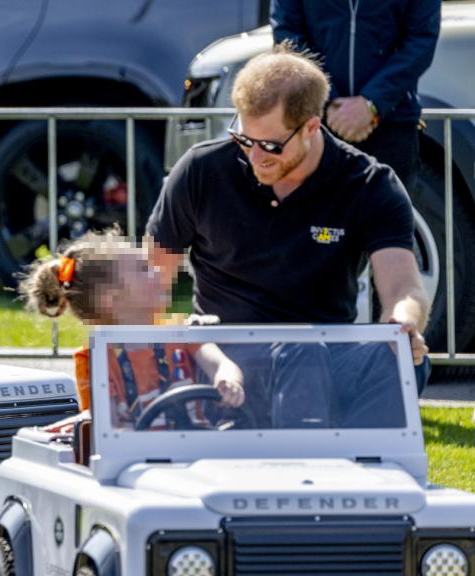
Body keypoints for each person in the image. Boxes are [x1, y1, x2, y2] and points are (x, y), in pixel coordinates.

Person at [146, 46, 430, 428]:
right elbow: (154, 279)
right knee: (299, 352)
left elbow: (403, 288)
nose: (256, 157)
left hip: (324, 351)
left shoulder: (368, 183)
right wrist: (195, 339)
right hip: (226, 355)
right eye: (244, 140)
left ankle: (372, 472)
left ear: (312, 127)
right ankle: (308, 465)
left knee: (400, 359)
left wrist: (403, 325)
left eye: (272, 146)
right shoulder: (200, 170)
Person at [19, 230, 245, 428]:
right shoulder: (95, 360)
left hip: (197, 449)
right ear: (113, 299)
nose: (157, 271)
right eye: (143, 268)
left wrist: (228, 380)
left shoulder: (180, 332)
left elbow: (220, 363)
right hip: (134, 462)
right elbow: (106, 426)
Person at [271, 0, 441, 194]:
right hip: (319, 125)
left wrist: (372, 103)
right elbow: (287, 33)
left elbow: (421, 40)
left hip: (391, 126)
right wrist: (326, 98)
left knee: (385, 220)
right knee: (319, 219)